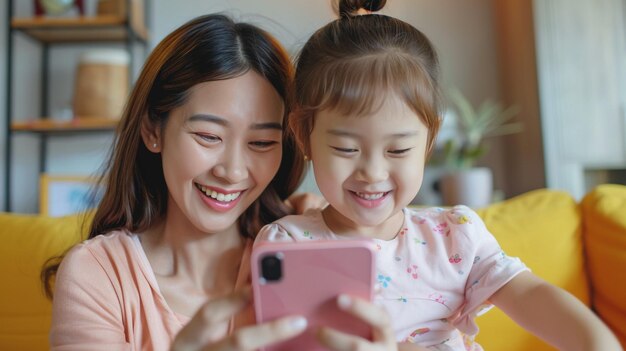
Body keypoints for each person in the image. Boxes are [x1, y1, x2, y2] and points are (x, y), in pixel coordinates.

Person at [254, 1, 623, 350]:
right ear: (304, 136)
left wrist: (598, 343)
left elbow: (527, 293)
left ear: (429, 141)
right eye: (346, 149)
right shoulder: (288, 245)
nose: (372, 172)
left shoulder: (454, 235)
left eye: (398, 150)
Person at [42, 13, 396, 351]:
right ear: (153, 129)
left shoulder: (311, 235)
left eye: (261, 143)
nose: (233, 171)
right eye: (208, 136)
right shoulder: (100, 274)